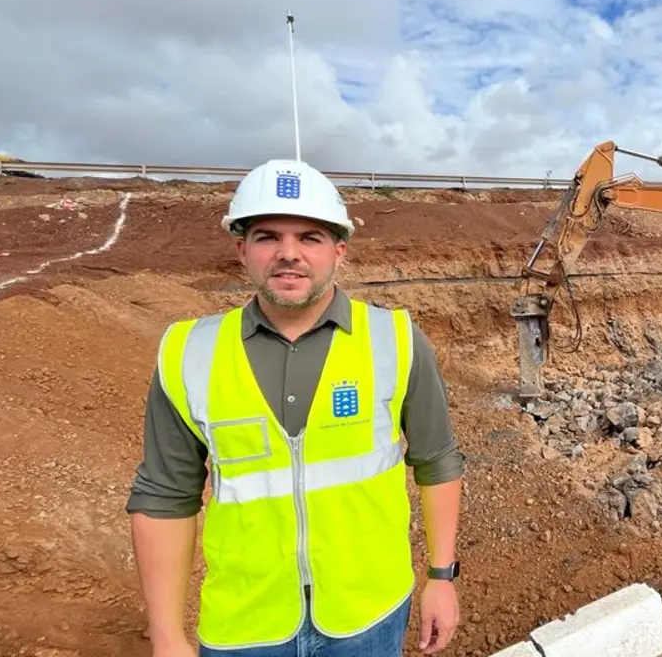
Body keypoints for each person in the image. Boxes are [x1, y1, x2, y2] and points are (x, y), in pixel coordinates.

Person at [125, 158, 464, 656]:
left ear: (339, 251)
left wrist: (441, 576)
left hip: (368, 614)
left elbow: (437, 462)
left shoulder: (395, 341)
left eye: (310, 237)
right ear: (241, 249)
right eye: (268, 237)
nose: (289, 254)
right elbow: (164, 497)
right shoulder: (189, 354)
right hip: (246, 624)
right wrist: (167, 637)